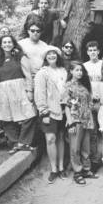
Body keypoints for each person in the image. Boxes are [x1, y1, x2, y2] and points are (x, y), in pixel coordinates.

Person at [0, 35, 37, 154]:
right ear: (1, 45)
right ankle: (14, 142)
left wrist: (29, 91)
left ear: (13, 44)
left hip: (19, 89)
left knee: (30, 115)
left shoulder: (20, 57)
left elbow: (28, 75)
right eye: (4, 42)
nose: (7, 44)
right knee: (5, 118)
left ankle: (23, 142)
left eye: (9, 42)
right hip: (3, 91)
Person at [34, 47, 68, 184]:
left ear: (58, 56)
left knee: (60, 137)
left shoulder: (63, 71)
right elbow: (39, 93)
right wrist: (43, 111)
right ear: (45, 57)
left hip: (64, 109)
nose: (52, 55)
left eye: (54, 53)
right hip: (49, 110)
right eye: (49, 54)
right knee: (50, 138)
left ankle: (61, 167)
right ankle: (53, 169)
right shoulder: (42, 73)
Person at [62, 61, 96, 185]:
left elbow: (89, 101)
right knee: (75, 148)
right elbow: (66, 105)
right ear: (71, 71)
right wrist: (70, 122)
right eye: (77, 70)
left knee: (86, 147)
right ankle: (77, 172)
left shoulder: (84, 85)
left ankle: (86, 169)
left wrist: (90, 105)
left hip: (86, 120)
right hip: (75, 120)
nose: (79, 72)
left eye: (81, 70)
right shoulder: (68, 86)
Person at [83, 41, 103, 172]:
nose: (93, 52)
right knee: (93, 133)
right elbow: (83, 84)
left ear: (98, 51)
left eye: (95, 50)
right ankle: (95, 160)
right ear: (87, 52)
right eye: (90, 50)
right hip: (90, 103)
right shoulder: (84, 66)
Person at [19, 18, 50, 101]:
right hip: (25, 78)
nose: (35, 33)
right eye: (32, 30)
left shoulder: (45, 46)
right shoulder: (21, 44)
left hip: (40, 79)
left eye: (38, 31)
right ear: (28, 31)